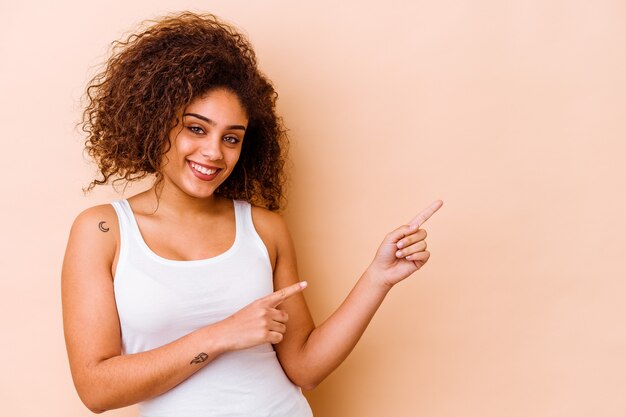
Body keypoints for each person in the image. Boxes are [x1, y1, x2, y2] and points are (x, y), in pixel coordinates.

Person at [61, 11, 443, 417]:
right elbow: (96, 391)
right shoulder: (103, 231)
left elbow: (305, 369)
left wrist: (377, 278)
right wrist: (222, 335)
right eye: (196, 128)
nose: (213, 152)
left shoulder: (263, 228)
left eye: (231, 138)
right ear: (155, 123)